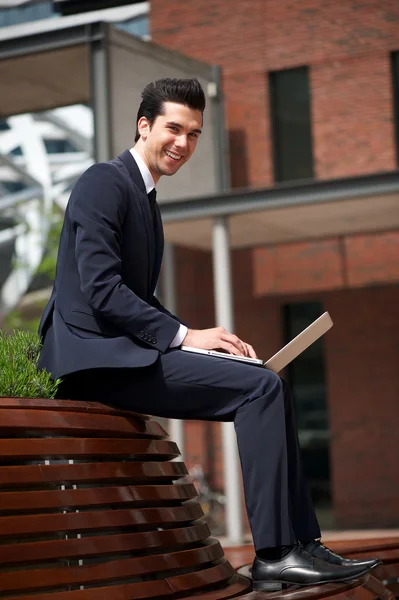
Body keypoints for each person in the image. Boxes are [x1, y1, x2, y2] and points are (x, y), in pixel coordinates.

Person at [38, 78, 379, 592]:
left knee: (266, 380)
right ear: (144, 125)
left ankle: (303, 544)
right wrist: (184, 335)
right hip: (94, 364)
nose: (183, 143)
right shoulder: (104, 182)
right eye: (174, 128)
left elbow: (136, 299)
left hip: (118, 355)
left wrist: (204, 338)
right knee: (260, 390)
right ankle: (276, 555)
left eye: (194, 134)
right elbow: (101, 291)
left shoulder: (143, 196)